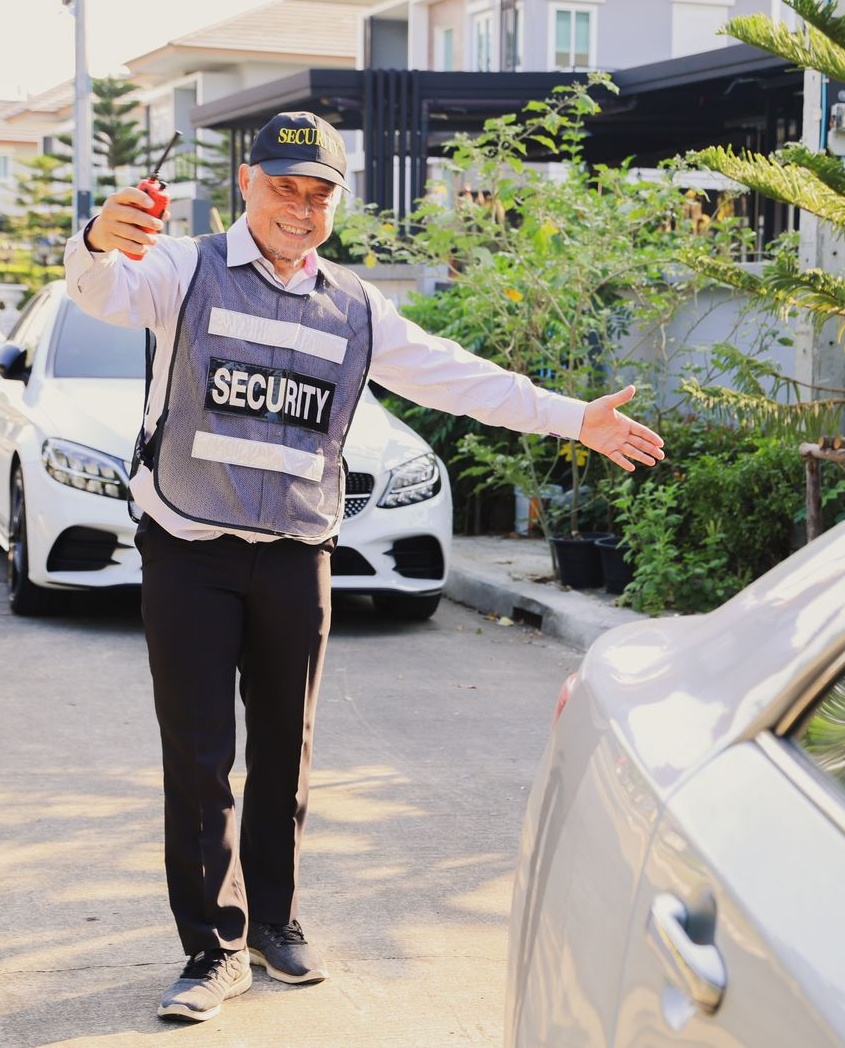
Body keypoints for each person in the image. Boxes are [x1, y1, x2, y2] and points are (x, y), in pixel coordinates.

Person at [63, 110, 664, 1024]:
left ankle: (274, 920)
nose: (300, 209)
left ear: (336, 203)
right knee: (199, 755)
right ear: (246, 185)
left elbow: (457, 376)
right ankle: (212, 947)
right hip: (188, 549)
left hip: (295, 555)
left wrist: (571, 417)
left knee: (286, 749)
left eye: (319, 194)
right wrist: (99, 239)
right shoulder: (183, 268)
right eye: (283, 188)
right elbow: (101, 289)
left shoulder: (354, 305)